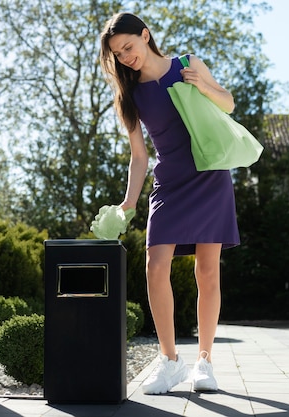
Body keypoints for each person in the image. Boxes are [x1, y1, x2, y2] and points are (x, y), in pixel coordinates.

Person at [99, 12, 240, 394]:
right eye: (118, 53)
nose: (126, 56)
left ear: (146, 36)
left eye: (129, 46)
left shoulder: (188, 65)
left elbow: (228, 103)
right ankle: (170, 360)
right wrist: (129, 202)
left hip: (210, 175)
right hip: (171, 182)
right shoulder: (129, 95)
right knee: (154, 265)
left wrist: (203, 87)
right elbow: (139, 155)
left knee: (208, 271)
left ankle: (205, 362)